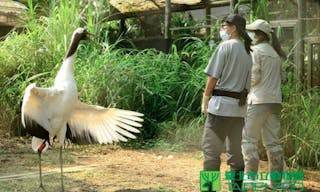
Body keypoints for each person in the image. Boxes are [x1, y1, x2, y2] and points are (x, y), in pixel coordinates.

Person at [201, 14, 252, 192]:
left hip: (220, 108)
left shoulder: (226, 46)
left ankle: (209, 189)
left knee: (211, 152)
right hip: (238, 111)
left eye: (225, 26)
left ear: (234, 28)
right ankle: (237, 189)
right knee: (235, 154)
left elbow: (213, 76)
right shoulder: (248, 51)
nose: (223, 29)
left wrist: (205, 97)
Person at [242, 19, 286, 190]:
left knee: (249, 140)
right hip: (275, 102)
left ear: (259, 35)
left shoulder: (255, 51)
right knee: (273, 143)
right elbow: (283, 78)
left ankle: (249, 181)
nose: (251, 35)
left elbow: (254, 78)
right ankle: (275, 182)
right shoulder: (276, 54)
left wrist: (244, 87)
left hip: (258, 100)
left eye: (253, 32)